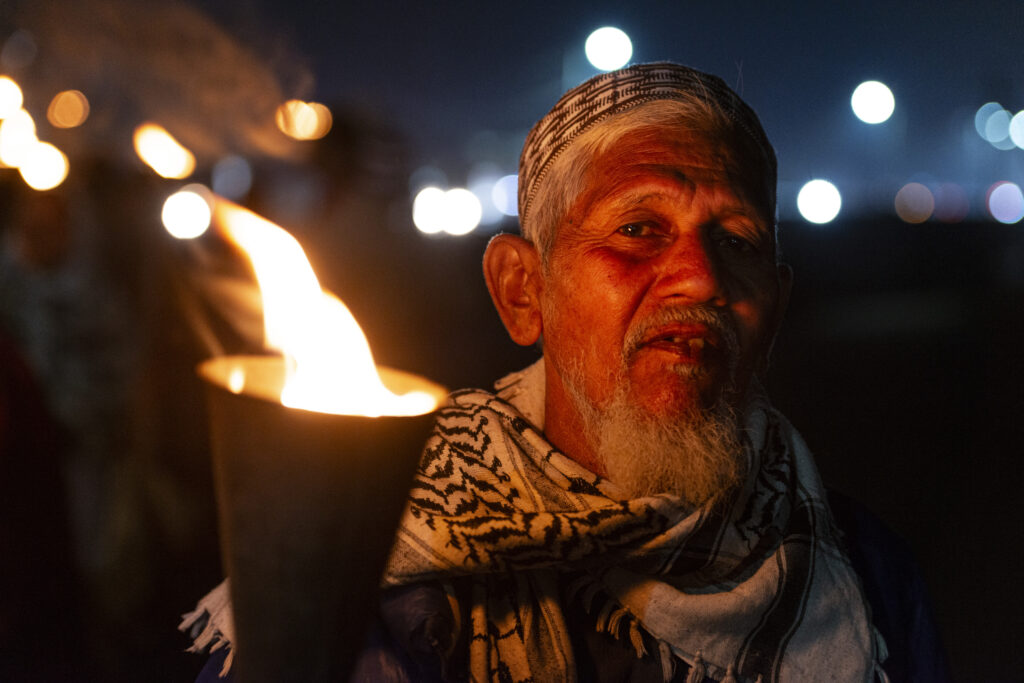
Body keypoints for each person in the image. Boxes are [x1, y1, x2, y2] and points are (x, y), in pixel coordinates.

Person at [183, 62, 948, 682]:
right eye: (640, 229)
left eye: (738, 242)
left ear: (774, 308)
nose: (701, 278)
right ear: (523, 291)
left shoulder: (864, 578)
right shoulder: (379, 573)